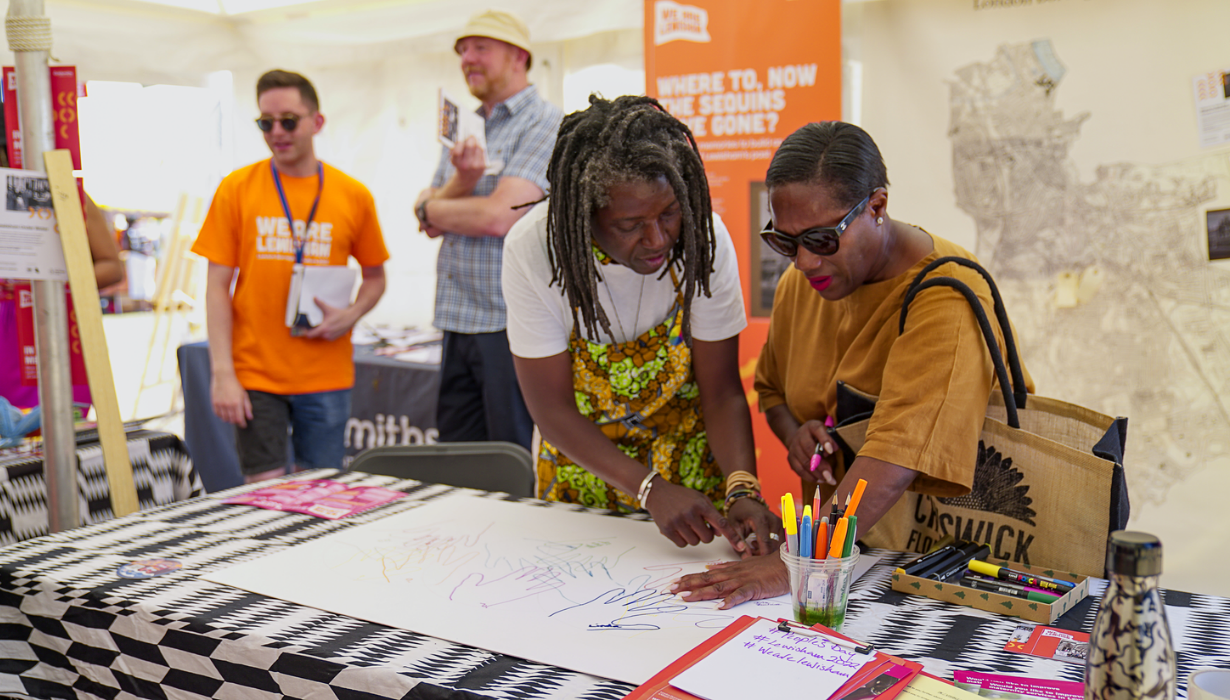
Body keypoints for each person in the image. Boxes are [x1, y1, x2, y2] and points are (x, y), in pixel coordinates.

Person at [672, 121, 1033, 605]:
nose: (803, 262)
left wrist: (799, 562)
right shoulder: (801, 286)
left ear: (877, 207)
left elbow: (896, 454)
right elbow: (774, 391)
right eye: (785, 242)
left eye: (821, 240)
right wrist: (796, 433)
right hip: (849, 557)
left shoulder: (947, 296)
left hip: (946, 569)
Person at [501, 95, 781, 554]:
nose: (657, 239)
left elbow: (723, 391)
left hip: (691, 481)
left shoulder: (702, 241)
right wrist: (649, 489)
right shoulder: (535, 250)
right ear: (586, 216)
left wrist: (742, 490)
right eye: (630, 224)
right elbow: (551, 410)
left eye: (668, 213)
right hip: (582, 477)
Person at [192, 70, 389, 482]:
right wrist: (223, 375)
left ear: (317, 122)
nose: (276, 132)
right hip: (255, 374)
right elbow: (216, 286)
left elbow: (375, 277)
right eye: (266, 122)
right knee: (264, 497)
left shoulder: (352, 195)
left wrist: (350, 315)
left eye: (288, 121)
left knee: (319, 494)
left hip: (326, 374)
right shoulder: (237, 188)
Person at [413, 9, 561, 450]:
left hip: (509, 323)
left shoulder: (546, 121)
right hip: (457, 318)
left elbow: (499, 215)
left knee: (510, 458)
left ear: (518, 56)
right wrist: (458, 186)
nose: (466, 58)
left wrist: (431, 206)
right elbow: (428, 219)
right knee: (458, 461)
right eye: (462, 50)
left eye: (480, 47)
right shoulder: (465, 123)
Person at [0, 101, 123, 406]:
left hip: (54, 334)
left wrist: (48, 282)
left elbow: (112, 267)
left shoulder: (59, 193)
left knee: (62, 431)